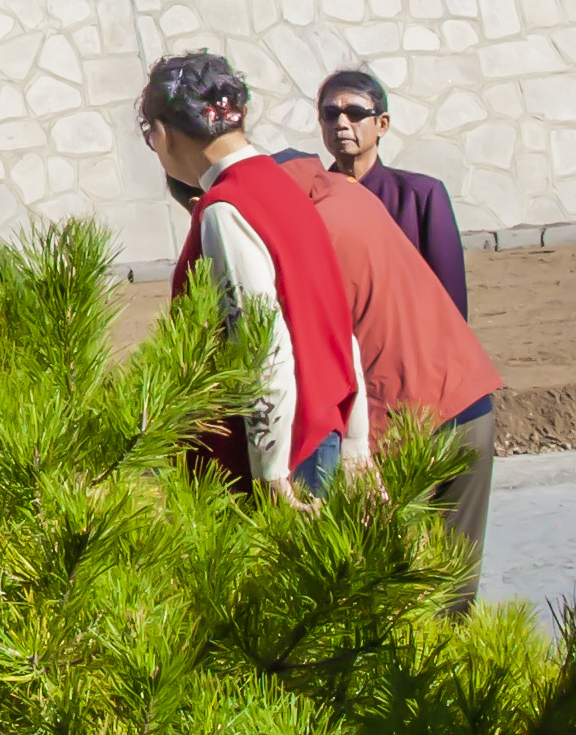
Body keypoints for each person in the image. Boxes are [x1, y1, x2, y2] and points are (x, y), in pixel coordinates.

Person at [137, 52, 366, 498]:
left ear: (163, 135)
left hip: (282, 458)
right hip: (322, 429)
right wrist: (357, 443)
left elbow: (262, 346)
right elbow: (341, 324)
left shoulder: (226, 208)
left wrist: (270, 475)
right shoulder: (281, 184)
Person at [278, 145, 503, 589]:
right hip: (468, 398)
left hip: (405, 422)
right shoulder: (352, 196)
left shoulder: (306, 232)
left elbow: (316, 358)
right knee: (454, 588)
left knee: (399, 596)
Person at [315, 68, 469, 313]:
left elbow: (451, 301)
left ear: (382, 124)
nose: (341, 124)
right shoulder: (310, 201)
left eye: (355, 113)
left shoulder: (420, 197)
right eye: (331, 114)